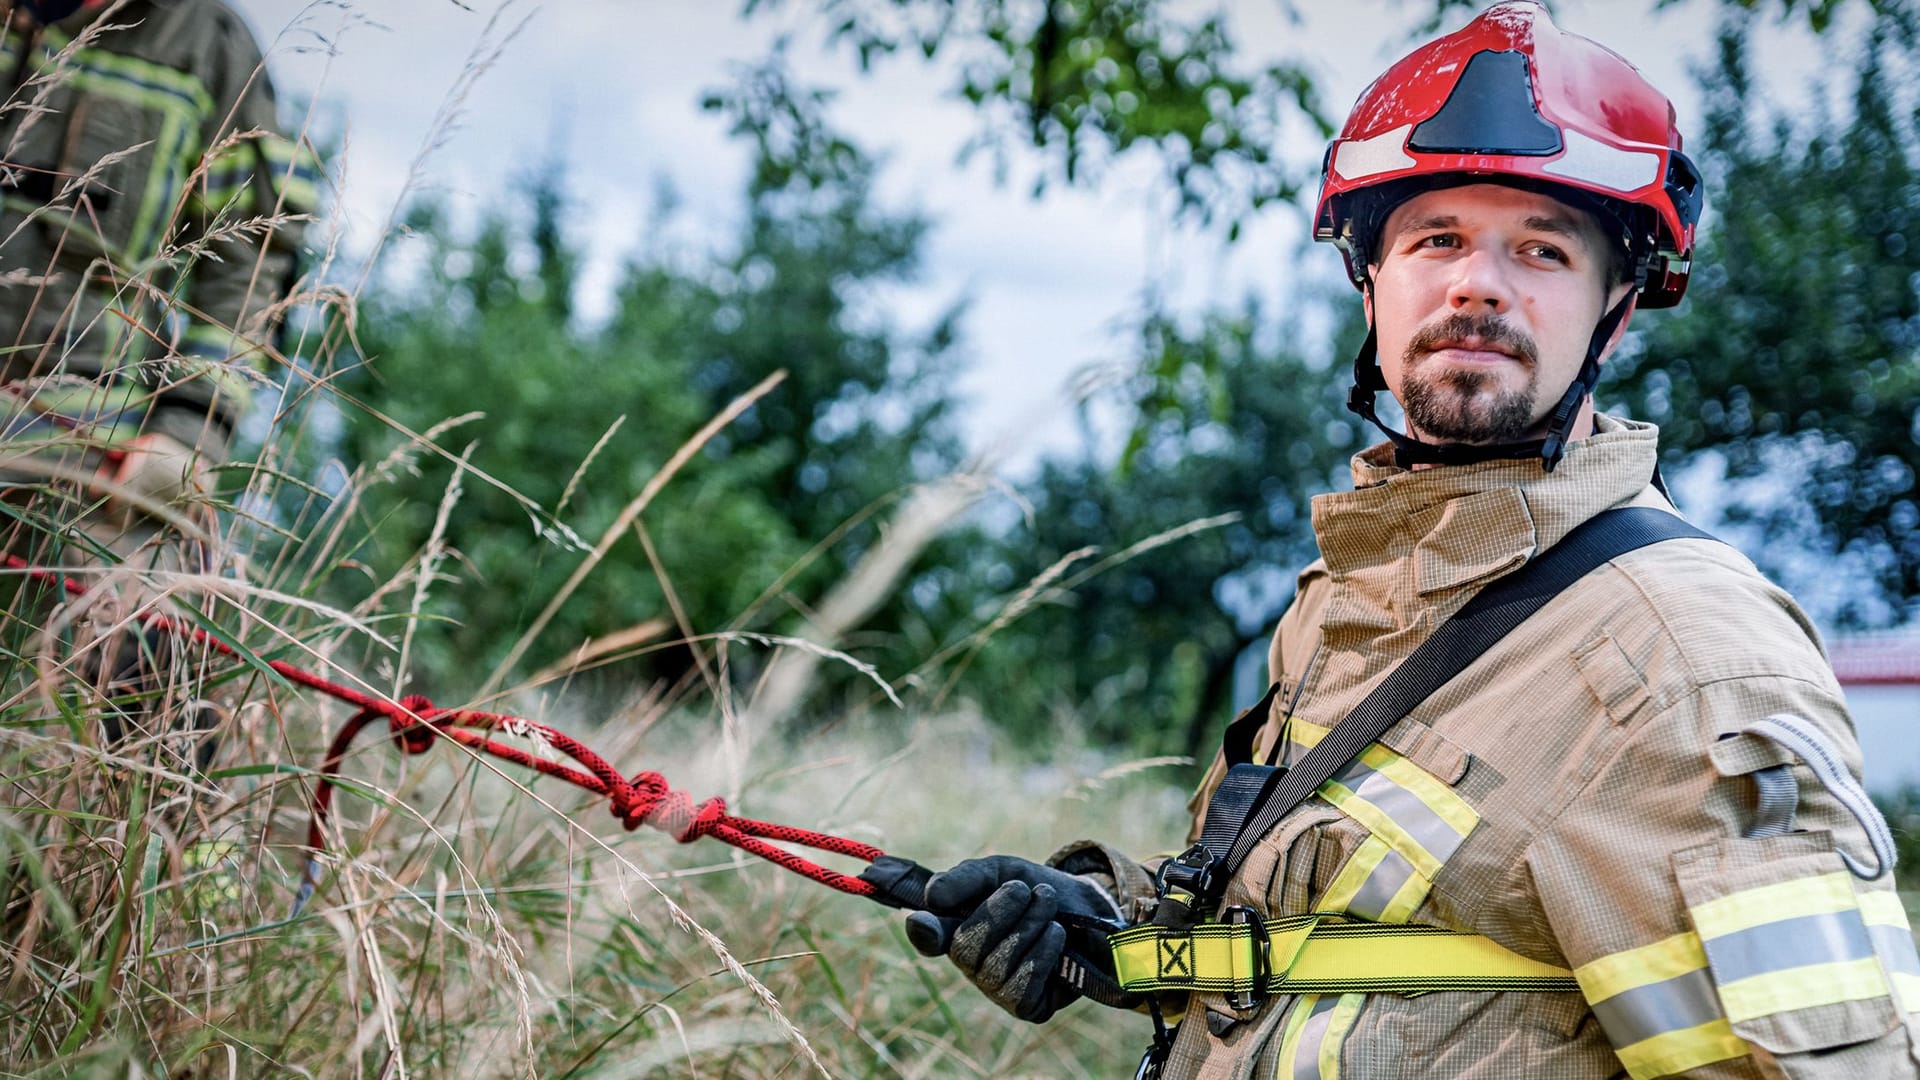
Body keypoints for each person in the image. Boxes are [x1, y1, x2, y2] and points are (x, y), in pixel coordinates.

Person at [863, 3, 1920, 1076]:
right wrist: (1105, 922)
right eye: (1437, 239)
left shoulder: (1682, 662)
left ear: (1620, 306)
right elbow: (1361, 935)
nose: (1477, 283)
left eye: (1543, 250)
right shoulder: (1360, 589)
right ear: (1370, 283)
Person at [0, 0, 318, 761]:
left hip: (94, 459)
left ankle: (146, 860)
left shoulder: (211, 43)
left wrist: (189, 434)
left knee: (157, 718)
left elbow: (251, 263)